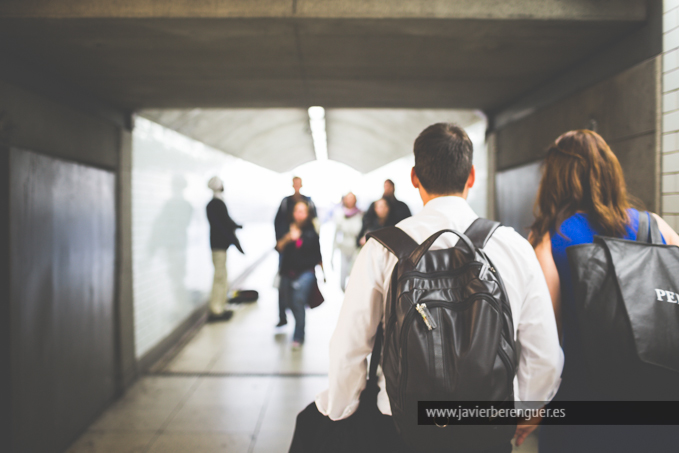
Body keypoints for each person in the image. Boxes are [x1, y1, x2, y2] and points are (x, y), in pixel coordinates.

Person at [315, 123, 563, 451]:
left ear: (415, 178)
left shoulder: (383, 249)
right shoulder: (511, 245)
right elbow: (542, 349)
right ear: (471, 176)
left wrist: (341, 406)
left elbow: (350, 343)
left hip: (404, 426)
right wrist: (525, 409)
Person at [529, 130, 679, 453]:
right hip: (660, 399)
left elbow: (546, 340)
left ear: (555, 178)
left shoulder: (549, 240)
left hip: (585, 404)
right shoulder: (655, 227)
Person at [276, 201, 323, 350]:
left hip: (306, 272)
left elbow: (317, 253)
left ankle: (298, 335)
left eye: (303, 211)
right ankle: (296, 325)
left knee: (298, 301)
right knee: (288, 302)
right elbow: (278, 247)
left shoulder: (312, 231)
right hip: (287, 272)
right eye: (297, 210)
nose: (300, 214)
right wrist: (289, 238)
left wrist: (323, 272)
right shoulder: (286, 228)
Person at [275, 176, 318, 327]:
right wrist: (286, 238)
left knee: (298, 298)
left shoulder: (309, 203)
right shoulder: (286, 202)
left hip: (305, 265)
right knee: (283, 291)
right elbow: (278, 227)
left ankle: (298, 332)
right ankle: (282, 316)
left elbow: (316, 247)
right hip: (288, 257)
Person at [206, 176, 244, 321]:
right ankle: (216, 309)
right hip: (218, 247)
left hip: (221, 246)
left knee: (223, 276)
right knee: (220, 277)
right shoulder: (215, 204)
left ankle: (221, 305)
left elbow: (225, 221)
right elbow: (223, 224)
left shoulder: (217, 203)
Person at [333, 192, 363, 292]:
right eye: (348, 198)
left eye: (352, 198)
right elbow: (336, 234)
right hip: (344, 248)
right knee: (343, 274)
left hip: (356, 249)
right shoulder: (340, 214)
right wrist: (332, 254)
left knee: (354, 273)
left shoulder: (361, 214)